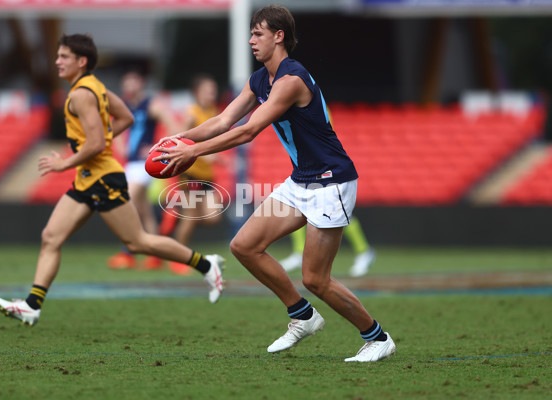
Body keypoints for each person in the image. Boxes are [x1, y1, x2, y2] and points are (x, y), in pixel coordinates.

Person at [151, 5, 395, 362]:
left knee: (316, 279)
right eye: (250, 33)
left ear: (279, 36)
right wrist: (178, 140)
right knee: (245, 245)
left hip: (330, 183)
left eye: (258, 33)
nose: (251, 40)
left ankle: (377, 338)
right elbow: (222, 120)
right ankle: (302, 315)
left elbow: (248, 130)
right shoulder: (259, 79)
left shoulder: (291, 80)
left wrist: (194, 153)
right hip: (300, 183)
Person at [0, 34, 225, 327]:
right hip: (87, 179)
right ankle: (32, 305)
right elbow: (126, 117)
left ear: (82, 61)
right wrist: (100, 143)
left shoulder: (81, 93)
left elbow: (93, 144)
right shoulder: (96, 88)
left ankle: (206, 264)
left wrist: (64, 162)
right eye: (58, 56)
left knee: (138, 242)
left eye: (64, 56)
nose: (57, 62)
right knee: (51, 237)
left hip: (103, 178)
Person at [107, 68, 178, 271]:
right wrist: (120, 145)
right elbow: (115, 126)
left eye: (132, 80)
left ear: (140, 82)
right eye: (126, 81)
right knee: (144, 212)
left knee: (125, 201)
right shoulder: (125, 106)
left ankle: (127, 252)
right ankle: (155, 256)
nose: (128, 85)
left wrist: (157, 147)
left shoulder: (151, 104)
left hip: (145, 164)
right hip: (132, 163)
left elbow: (173, 125)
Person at [168, 74, 224, 275]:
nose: (212, 93)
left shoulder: (214, 111)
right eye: (208, 89)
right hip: (191, 173)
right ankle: (177, 259)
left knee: (213, 217)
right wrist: (204, 155)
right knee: (191, 215)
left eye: (214, 89)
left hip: (207, 175)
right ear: (197, 92)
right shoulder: (192, 113)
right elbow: (181, 140)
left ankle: (180, 222)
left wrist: (216, 157)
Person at [280, 217, 376, 277]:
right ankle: (300, 254)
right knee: (299, 212)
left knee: (340, 214)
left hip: (332, 185)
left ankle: (364, 252)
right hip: (311, 184)